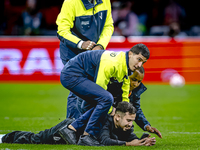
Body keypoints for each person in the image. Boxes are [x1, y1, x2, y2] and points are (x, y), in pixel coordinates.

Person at [59, 43, 150, 144]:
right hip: (72, 75)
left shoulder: (124, 65)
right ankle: (87, 135)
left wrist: (123, 111)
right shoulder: (111, 63)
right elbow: (100, 90)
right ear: (130, 54)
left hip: (80, 76)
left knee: (104, 101)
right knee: (106, 99)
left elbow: (125, 94)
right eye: (139, 59)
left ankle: (72, 129)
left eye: (143, 62)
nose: (139, 65)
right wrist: (112, 110)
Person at [0, 102, 156, 147]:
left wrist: (143, 140)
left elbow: (131, 136)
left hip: (74, 135)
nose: (131, 123)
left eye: (132, 120)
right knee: (36, 139)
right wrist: (129, 144)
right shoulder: (106, 121)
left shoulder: (125, 124)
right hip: (66, 130)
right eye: (128, 120)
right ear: (116, 117)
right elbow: (104, 141)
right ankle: (5, 137)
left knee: (37, 138)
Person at [56, 0, 114, 119]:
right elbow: (62, 30)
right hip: (72, 51)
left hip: (94, 50)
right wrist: (80, 43)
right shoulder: (71, 2)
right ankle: (72, 126)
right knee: (77, 86)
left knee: (87, 87)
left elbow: (108, 25)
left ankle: (77, 126)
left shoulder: (105, 1)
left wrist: (101, 45)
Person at [80, 66, 162, 139]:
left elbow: (136, 109)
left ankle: (132, 138)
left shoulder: (136, 91)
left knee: (127, 122)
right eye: (133, 79)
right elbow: (91, 103)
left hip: (114, 118)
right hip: (100, 117)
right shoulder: (113, 85)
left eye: (139, 81)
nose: (136, 84)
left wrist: (146, 125)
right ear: (126, 76)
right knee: (112, 128)